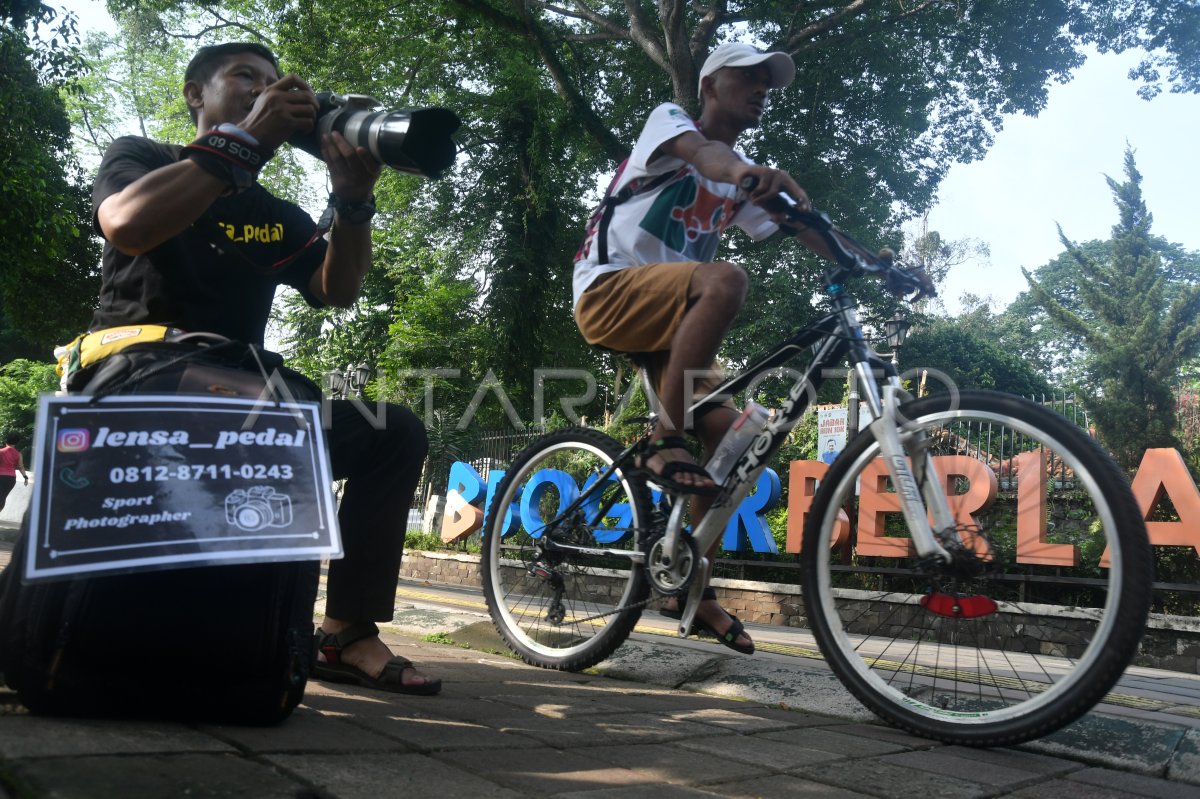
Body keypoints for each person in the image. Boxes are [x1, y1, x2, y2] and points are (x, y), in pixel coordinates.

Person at [90, 42, 437, 694]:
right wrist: (247, 139)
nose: (267, 89)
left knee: (390, 431)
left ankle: (344, 633)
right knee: (260, 408)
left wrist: (354, 200)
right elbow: (128, 225)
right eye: (246, 77)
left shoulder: (271, 214)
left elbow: (338, 289)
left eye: (275, 83)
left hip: (244, 391)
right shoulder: (143, 158)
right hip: (138, 373)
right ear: (197, 94)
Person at [573, 42, 884, 654]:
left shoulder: (741, 180)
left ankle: (686, 581)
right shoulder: (671, 125)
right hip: (609, 292)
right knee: (726, 278)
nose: (762, 88)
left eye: (769, 82)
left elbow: (804, 225)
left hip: (671, 318)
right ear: (712, 84)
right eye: (749, 77)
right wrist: (743, 174)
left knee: (737, 446)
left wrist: (878, 265)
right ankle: (663, 439)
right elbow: (705, 156)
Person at [0, 434, 29, 514]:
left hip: (1, 476)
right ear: (16, 443)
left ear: (6, 441)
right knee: (2, 497)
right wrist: (25, 477)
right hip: (11, 479)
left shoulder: (1, 451)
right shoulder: (18, 454)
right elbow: (21, 467)